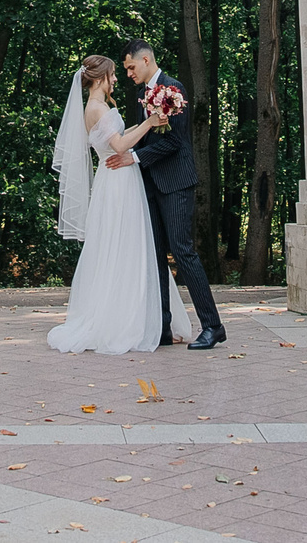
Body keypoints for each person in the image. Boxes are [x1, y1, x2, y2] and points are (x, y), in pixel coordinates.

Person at [47, 53, 197, 354]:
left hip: (119, 179)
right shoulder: (95, 107)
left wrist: (149, 123)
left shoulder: (99, 106)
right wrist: (150, 122)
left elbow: (117, 135)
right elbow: (118, 146)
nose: (116, 79)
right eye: (113, 74)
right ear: (99, 78)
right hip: (117, 182)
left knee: (131, 248)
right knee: (124, 247)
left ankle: (146, 320)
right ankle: (125, 323)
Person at [113, 40, 226, 349]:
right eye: (126, 70)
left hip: (175, 182)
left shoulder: (174, 89)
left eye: (131, 67)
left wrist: (134, 158)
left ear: (146, 60)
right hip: (149, 184)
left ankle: (213, 326)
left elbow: (174, 141)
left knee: (183, 251)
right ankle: (162, 327)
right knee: (156, 255)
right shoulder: (141, 95)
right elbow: (144, 135)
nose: (129, 74)